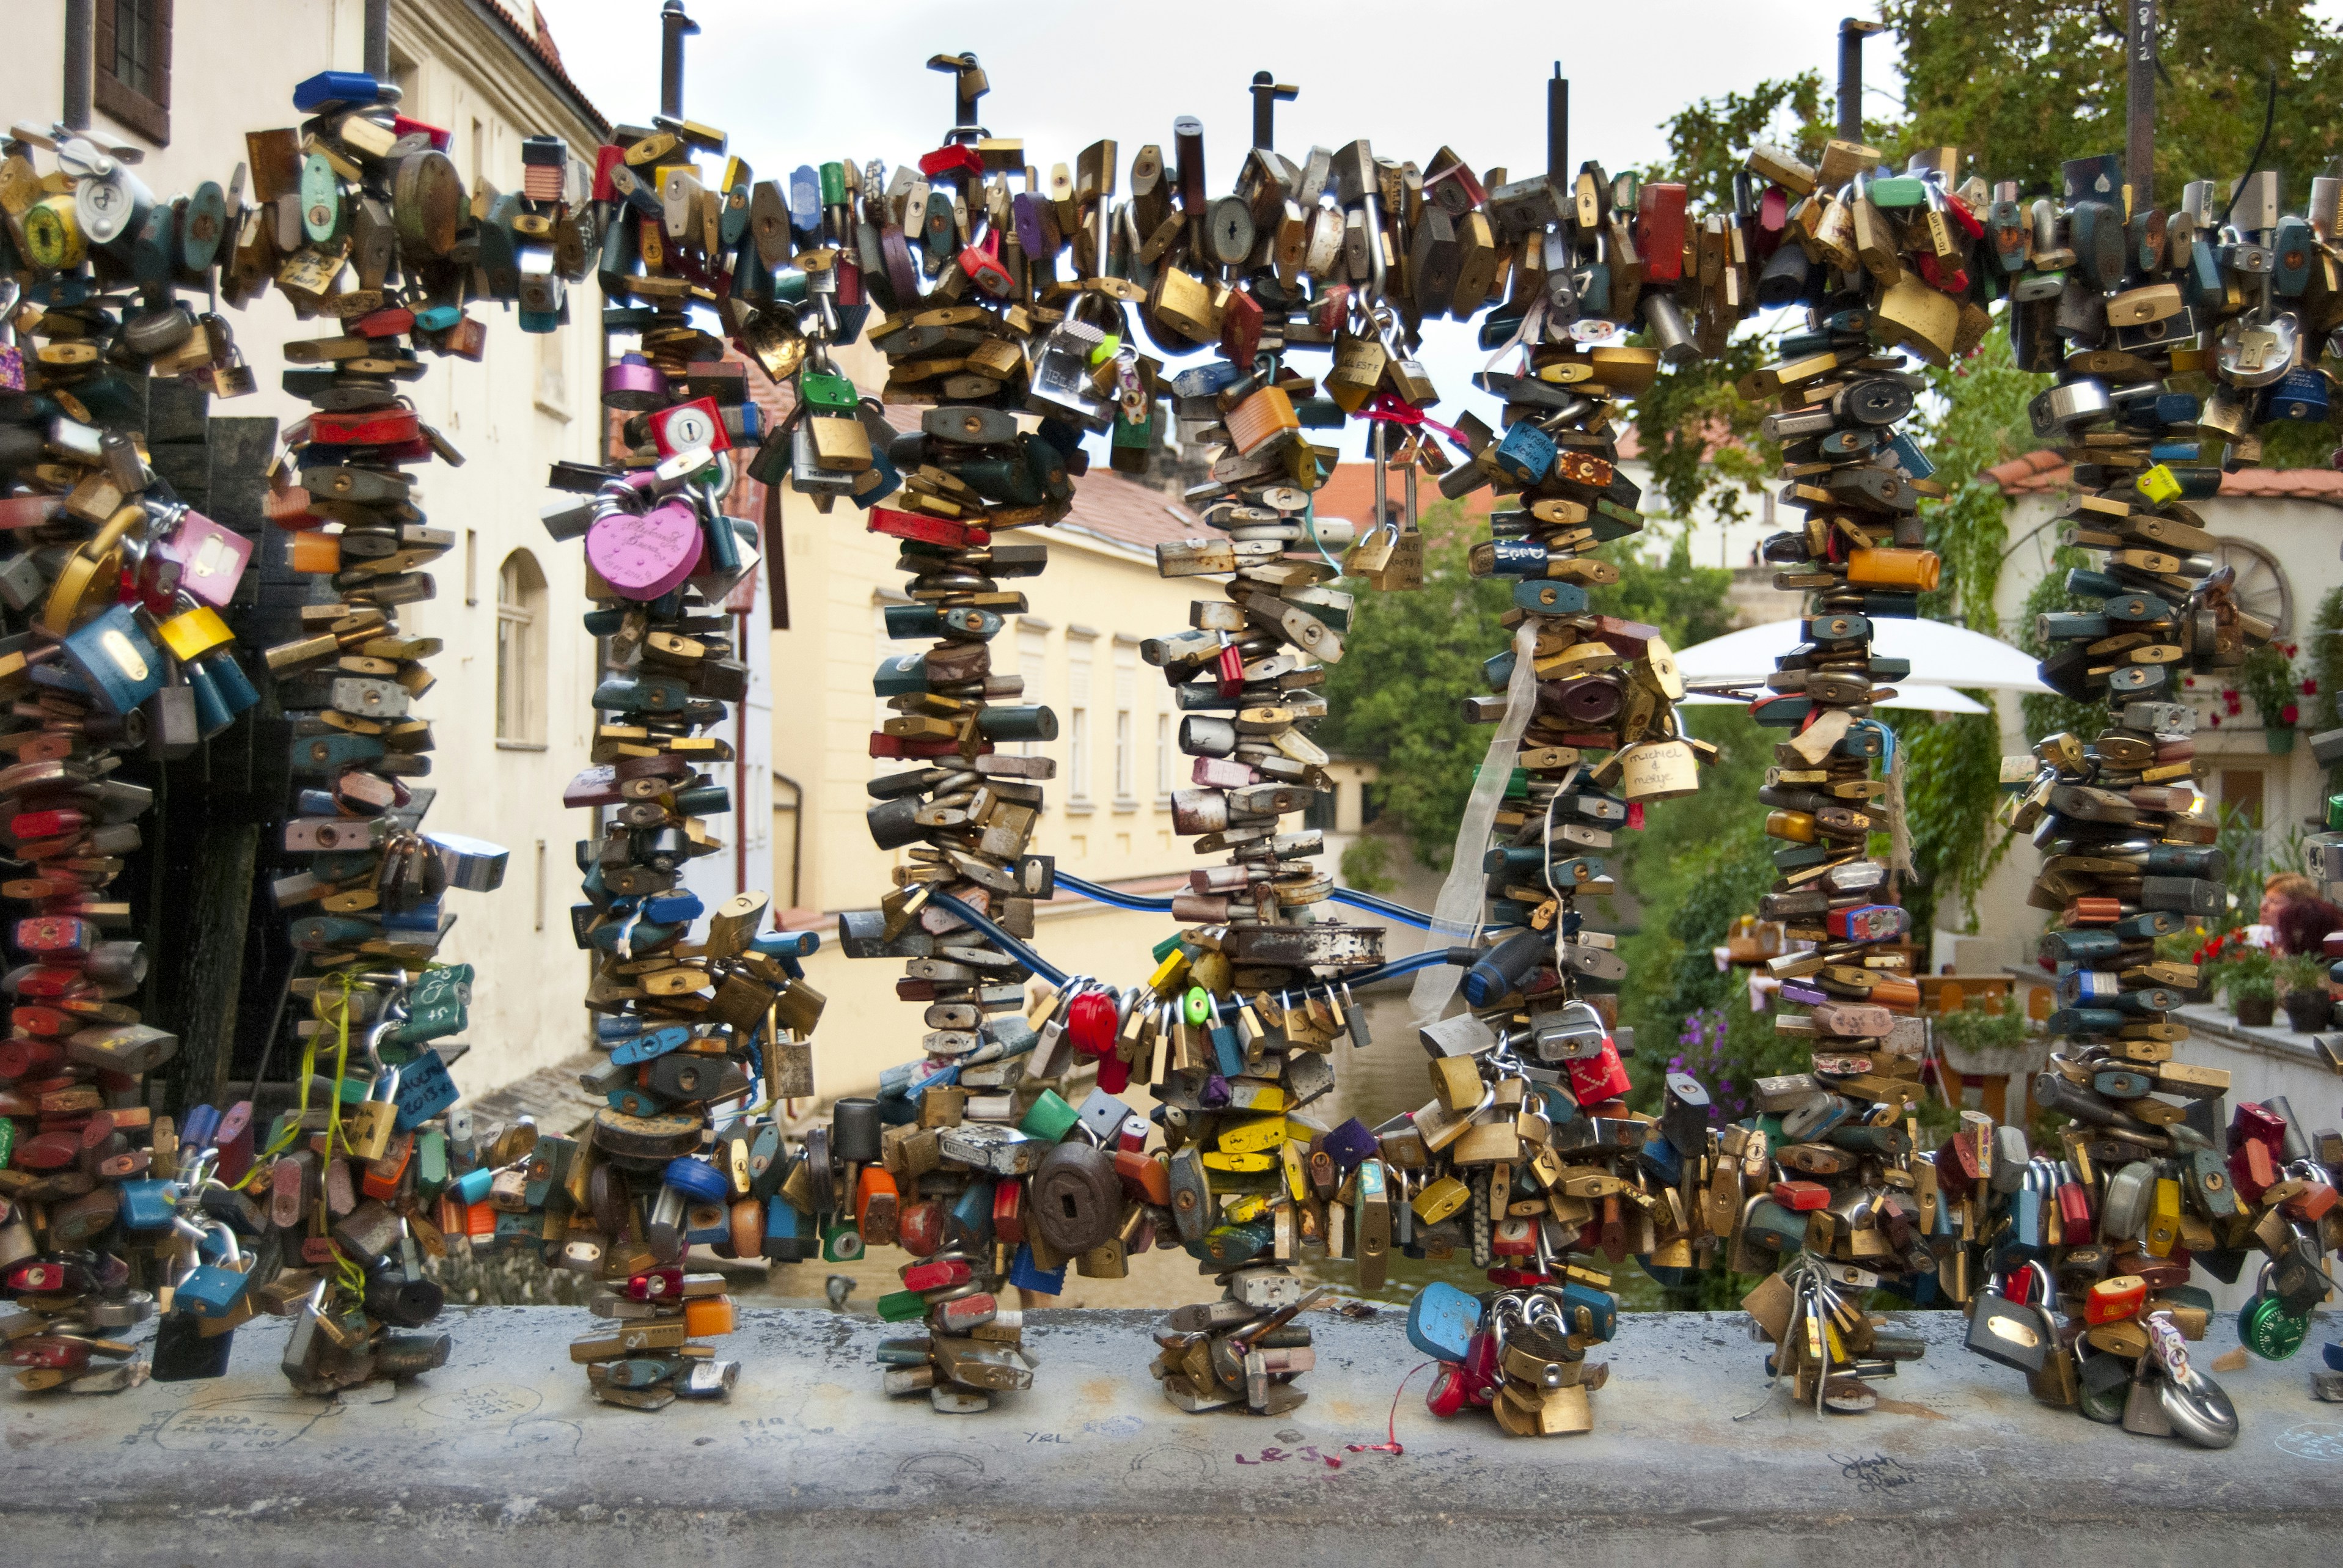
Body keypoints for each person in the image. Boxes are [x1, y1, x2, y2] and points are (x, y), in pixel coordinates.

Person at [2260, 871, 2343, 956]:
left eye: (2274, 902)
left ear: (2298, 909)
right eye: (2265, 900)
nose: (2263, 907)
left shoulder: (2306, 947)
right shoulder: (2260, 937)